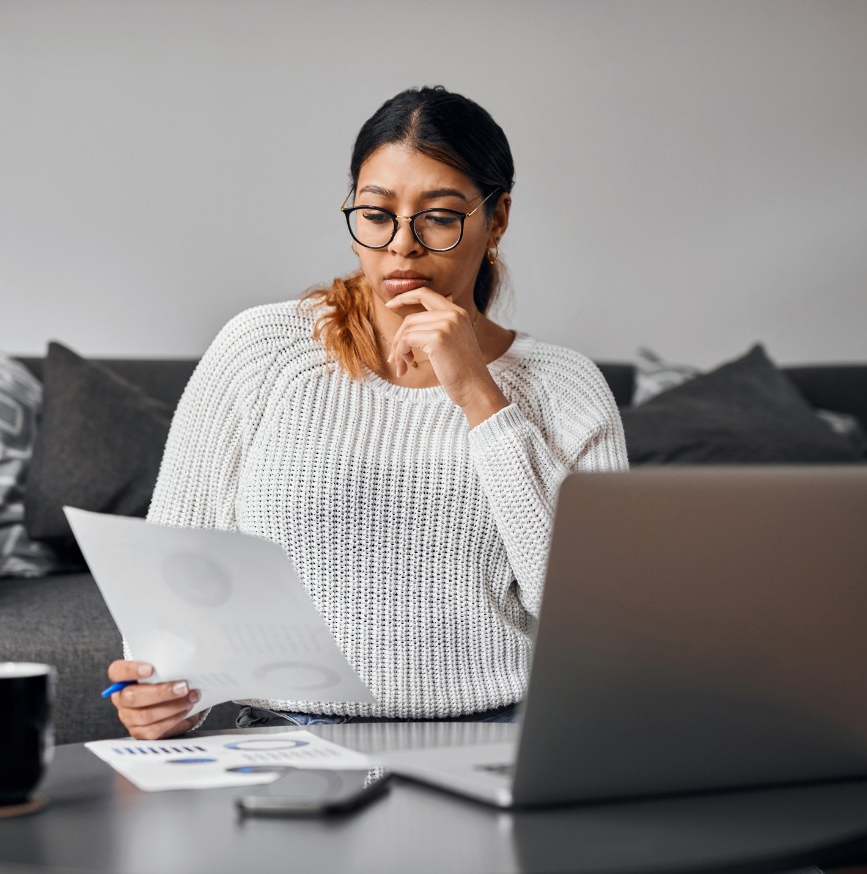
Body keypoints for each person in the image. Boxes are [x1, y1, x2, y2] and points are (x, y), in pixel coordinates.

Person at [107, 85, 628, 739]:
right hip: (281, 736)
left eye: (438, 217)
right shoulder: (261, 350)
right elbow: (169, 581)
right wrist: (160, 695)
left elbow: (596, 624)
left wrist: (478, 395)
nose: (402, 247)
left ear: (496, 220)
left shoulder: (565, 387)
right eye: (377, 214)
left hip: (497, 734)